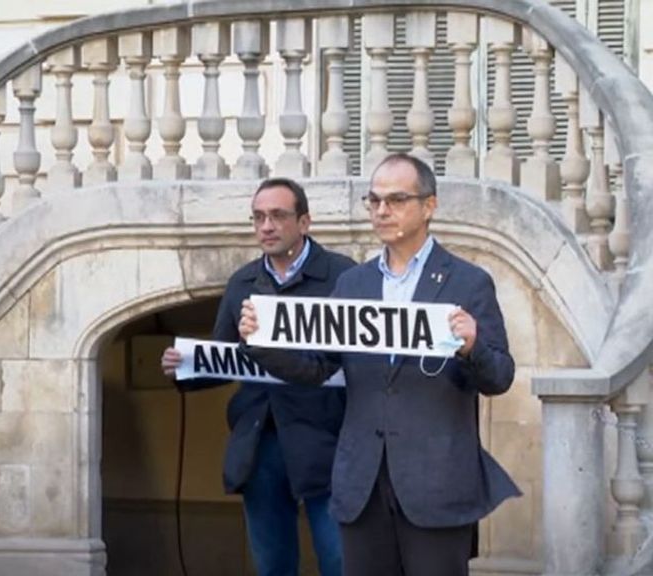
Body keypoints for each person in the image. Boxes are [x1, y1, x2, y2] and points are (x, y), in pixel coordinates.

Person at [239, 153, 520, 576]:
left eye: (396, 199)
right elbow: (316, 367)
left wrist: (472, 345)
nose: (382, 210)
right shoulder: (354, 284)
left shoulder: (468, 281)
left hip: (437, 483)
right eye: (374, 201)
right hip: (362, 484)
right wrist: (261, 341)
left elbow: (499, 376)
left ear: (429, 206)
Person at [161, 178, 354, 576]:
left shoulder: (344, 277)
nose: (266, 226)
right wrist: (184, 366)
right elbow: (226, 359)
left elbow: (352, 364)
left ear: (304, 222)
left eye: (278, 216)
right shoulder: (242, 283)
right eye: (259, 217)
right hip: (260, 441)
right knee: (273, 564)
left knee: (341, 560)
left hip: (328, 440)